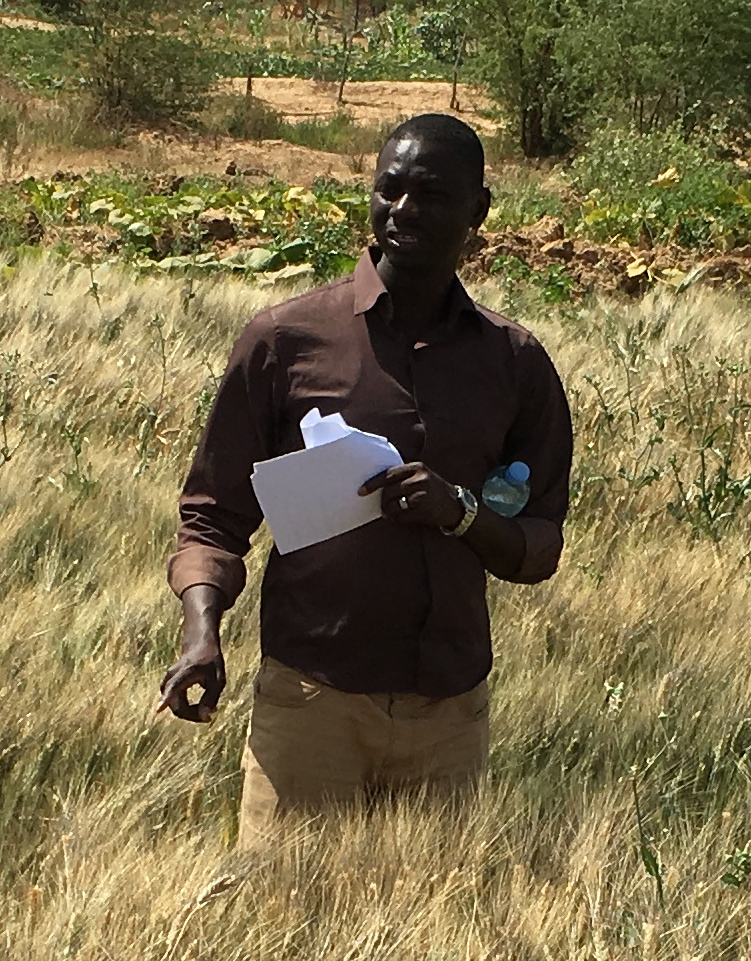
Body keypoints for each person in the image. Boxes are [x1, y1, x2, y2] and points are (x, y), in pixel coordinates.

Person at [159, 113, 574, 837]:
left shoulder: (514, 363)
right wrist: (202, 634)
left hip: (448, 718)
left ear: (479, 210)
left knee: (430, 935)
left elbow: (539, 547)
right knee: (282, 924)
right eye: (390, 189)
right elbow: (211, 518)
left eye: (431, 195)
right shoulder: (286, 341)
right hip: (310, 707)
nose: (403, 210)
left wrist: (461, 513)